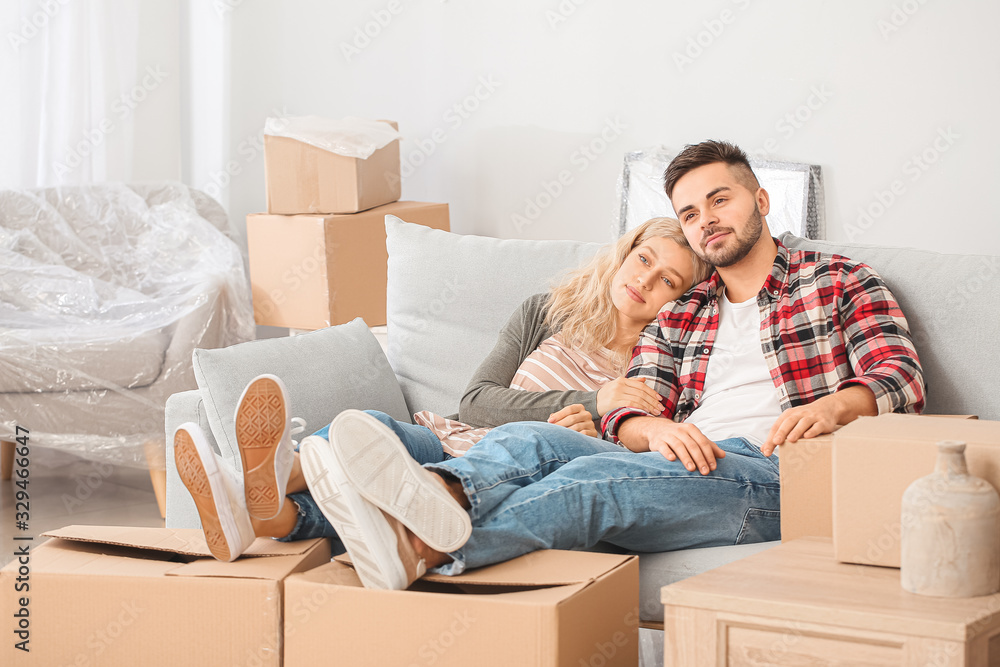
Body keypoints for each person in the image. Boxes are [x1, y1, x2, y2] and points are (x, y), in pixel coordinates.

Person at [289, 139, 926, 591]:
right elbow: (626, 405)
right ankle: (432, 499)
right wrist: (655, 430)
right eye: (689, 213)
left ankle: (418, 543)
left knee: (594, 488)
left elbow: (899, 378)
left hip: (780, 471)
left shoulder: (838, 281)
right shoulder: (685, 312)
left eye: (720, 201)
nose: (706, 221)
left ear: (759, 199)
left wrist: (831, 406)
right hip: (683, 455)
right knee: (526, 439)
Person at [173, 217, 711, 562]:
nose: (644, 280)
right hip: (458, 434)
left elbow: (628, 469)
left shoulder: (658, 370)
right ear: (624, 253)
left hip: (511, 470)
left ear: (681, 301)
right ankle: (264, 488)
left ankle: (257, 501)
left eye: (668, 280)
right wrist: (591, 401)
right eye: (644, 259)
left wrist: (591, 432)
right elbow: (475, 402)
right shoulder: (546, 312)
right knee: (369, 431)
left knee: (380, 492)